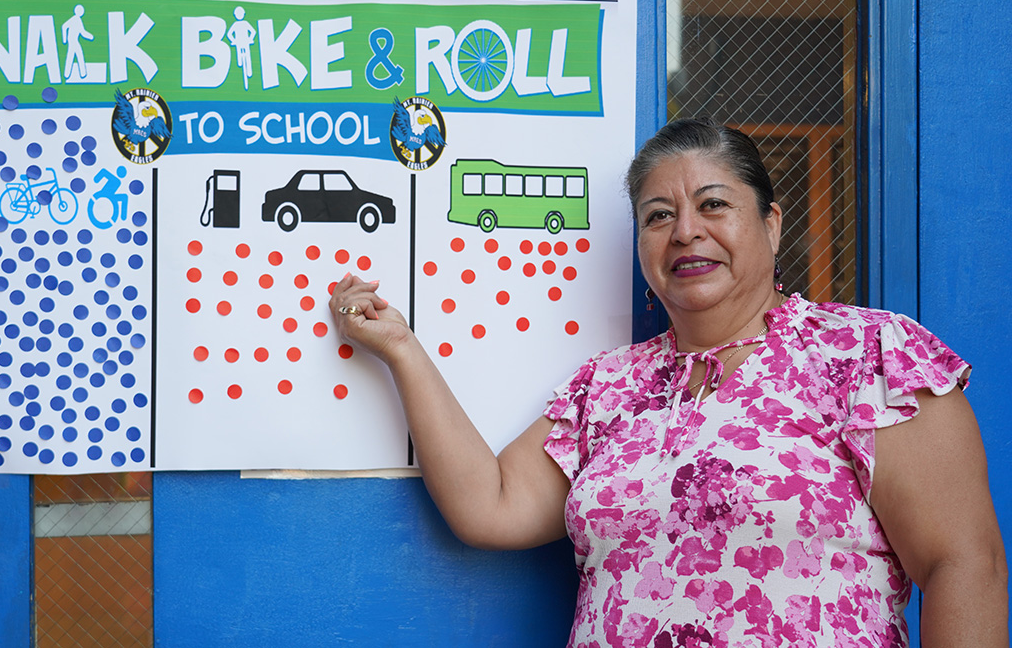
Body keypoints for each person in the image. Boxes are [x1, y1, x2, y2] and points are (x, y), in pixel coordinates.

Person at [329, 118, 1008, 647]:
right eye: (658, 216)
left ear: (771, 225)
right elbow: (492, 503)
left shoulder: (865, 355)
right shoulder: (611, 387)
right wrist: (402, 349)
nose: (686, 231)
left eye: (714, 204)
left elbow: (962, 565)